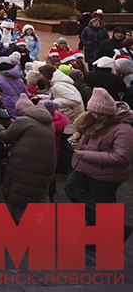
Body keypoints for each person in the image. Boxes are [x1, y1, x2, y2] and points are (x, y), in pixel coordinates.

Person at [64, 87, 133, 240]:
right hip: (86, 167)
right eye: (93, 112)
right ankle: (109, 231)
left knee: (100, 205)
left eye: (99, 114)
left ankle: (105, 234)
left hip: (105, 173)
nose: (95, 116)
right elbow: (80, 133)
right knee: (76, 192)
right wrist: (74, 142)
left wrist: (85, 153)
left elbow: (122, 157)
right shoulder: (90, 119)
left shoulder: (123, 129)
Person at [0, 94, 56, 220]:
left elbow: (6, 137)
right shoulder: (49, 123)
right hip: (45, 164)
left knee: (18, 192)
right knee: (36, 192)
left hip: (24, 163)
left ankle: (18, 223)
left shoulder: (22, 121)